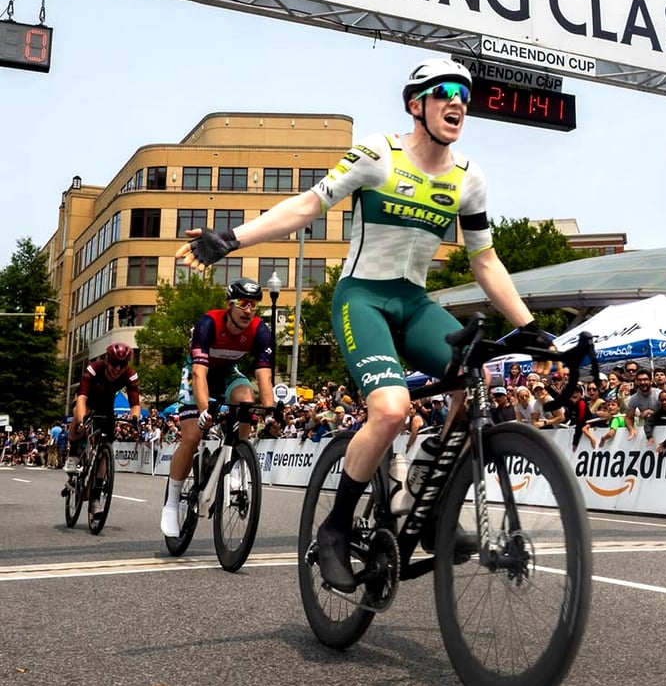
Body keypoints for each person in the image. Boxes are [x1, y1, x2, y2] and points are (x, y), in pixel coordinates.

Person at [174, 57, 551, 592]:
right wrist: (232, 240)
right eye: (444, 91)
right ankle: (334, 528)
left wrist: (529, 325)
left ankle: (424, 495)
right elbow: (307, 206)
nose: (457, 101)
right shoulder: (379, 154)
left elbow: (484, 260)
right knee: (393, 409)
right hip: (363, 299)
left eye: (465, 94)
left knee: (478, 380)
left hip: (414, 303)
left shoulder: (469, 178)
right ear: (415, 104)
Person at [160, 279, 274, 537]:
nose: (249, 310)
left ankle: (237, 463)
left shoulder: (260, 330)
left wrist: (270, 410)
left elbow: (263, 375)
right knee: (191, 437)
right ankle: (171, 503)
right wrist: (203, 411)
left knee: (246, 399)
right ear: (229, 305)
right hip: (199, 373)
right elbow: (199, 374)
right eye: (243, 303)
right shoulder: (208, 324)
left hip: (227, 374)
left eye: (254, 305)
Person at [65, 343, 141, 513]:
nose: (117, 368)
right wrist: (82, 419)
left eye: (122, 365)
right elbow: (82, 397)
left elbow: (135, 403)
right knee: (78, 418)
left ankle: (96, 497)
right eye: (114, 363)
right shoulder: (94, 368)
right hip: (87, 401)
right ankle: (74, 455)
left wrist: (135, 419)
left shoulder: (130, 375)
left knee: (106, 449)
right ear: (107, 360)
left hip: (106, 407)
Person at [624, 369, 660, 440]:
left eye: (645, 379)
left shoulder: (659, 394)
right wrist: (631, 429)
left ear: (651, 381)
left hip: (663, 425)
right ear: (636, 382)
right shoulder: (634, 398)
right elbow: (628, 417)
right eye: (639, 380)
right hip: (647, 428)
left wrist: (650, 412)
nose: (642, 382)